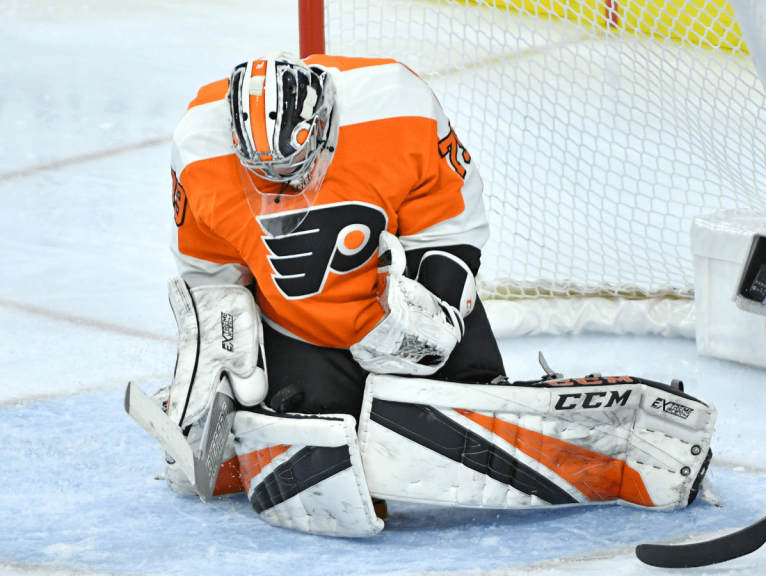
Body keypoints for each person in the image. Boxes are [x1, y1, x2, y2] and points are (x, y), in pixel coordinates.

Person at [156, 53, 716, 537]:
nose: (288, 186)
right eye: (267, 173)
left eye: (299, 166)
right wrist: (219, 361)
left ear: (325, 124)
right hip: (298, 328)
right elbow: (213, 280)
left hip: (401, 305)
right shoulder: (199, 153)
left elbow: (451, 226)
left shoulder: (395, 107)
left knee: (479, 404)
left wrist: (432, 312)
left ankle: (555, 419)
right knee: (318, 458)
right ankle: (280, 420)